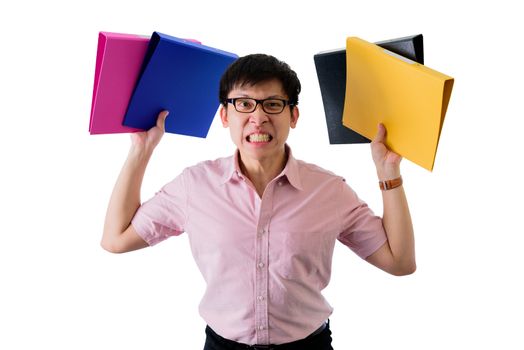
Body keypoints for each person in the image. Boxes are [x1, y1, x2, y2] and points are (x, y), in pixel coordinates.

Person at [101, 54, 415, 350]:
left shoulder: (329, 190)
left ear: (293, 115)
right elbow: (116, 239)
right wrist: (141, 152)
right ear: (225, 115)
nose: (259, 117)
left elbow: (399, 262)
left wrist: (388, 172)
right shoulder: (195, 185)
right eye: (244, 104)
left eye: (273, 104)